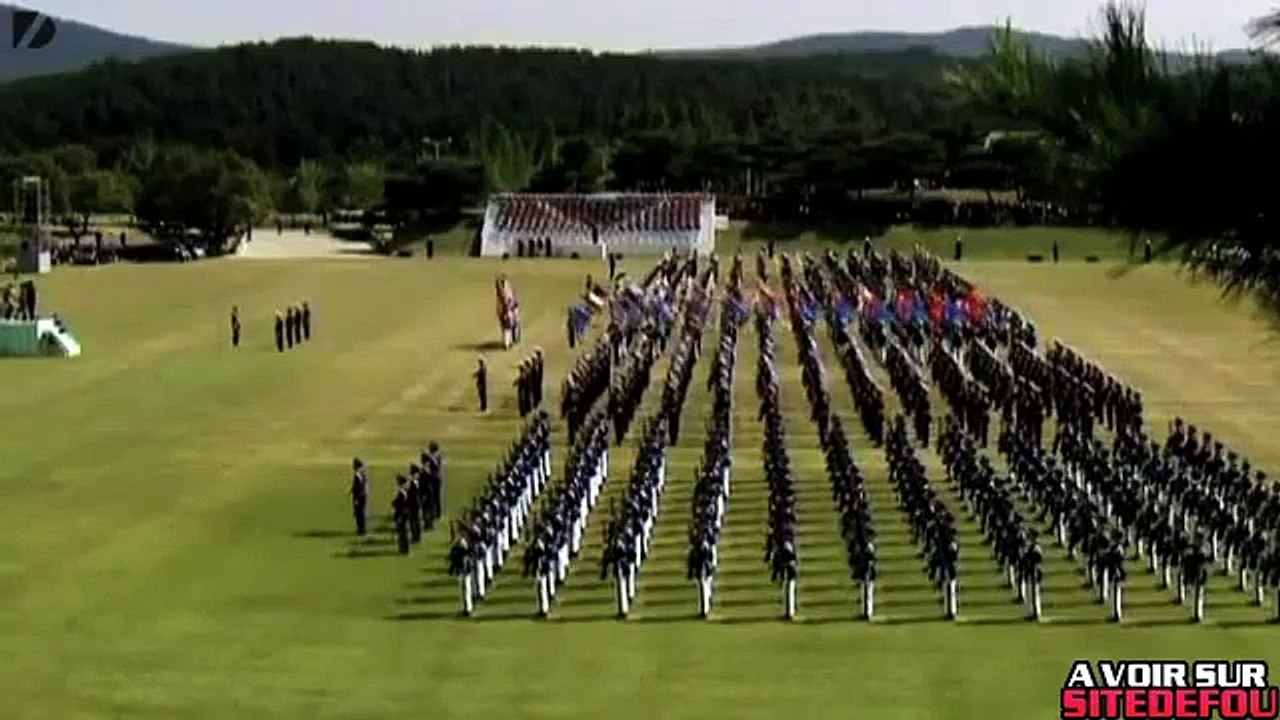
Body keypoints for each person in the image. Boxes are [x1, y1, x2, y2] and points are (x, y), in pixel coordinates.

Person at [392, 475, 411, 555]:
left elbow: (400, 505)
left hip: (401, 516)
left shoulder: (401, 493)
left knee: (402, 533)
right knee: (402, 533)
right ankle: (404, 548)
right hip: (403, 515)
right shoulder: (404, 492)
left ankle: (404, 549)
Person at [350, 458, 369, 536]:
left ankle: (361, 530)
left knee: (359, 513)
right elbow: (357, 486)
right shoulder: (362, 474)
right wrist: (351, 490)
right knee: (360, 513)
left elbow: (359, 487)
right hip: (363, 496)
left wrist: (357, 499)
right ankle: (361, 529)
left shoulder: (358, 475)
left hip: (359, 496)